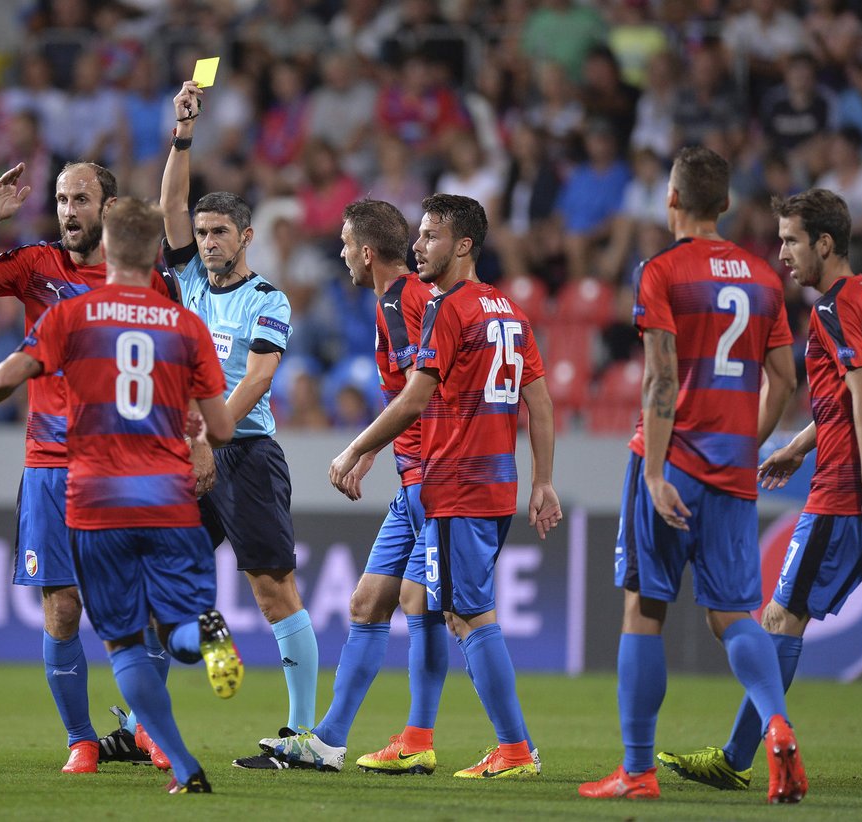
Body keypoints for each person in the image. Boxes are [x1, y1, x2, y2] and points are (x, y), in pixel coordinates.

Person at [0, 197, 243, 795]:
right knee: (168, 622)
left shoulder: (74, 315)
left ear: (108, 247)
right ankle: (201, 639)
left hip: (96, 495)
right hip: (167, 497)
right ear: (155, 252)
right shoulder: (185, 325)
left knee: (122, 639)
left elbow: (11, 373)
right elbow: (222, 428)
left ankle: (182, 764)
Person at [657, 188, 862, 799]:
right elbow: (856, 394)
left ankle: (737, 756)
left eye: (790, 240)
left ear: (824, 244)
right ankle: (735, 754)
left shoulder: (833, 310)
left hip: (848, 495)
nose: (782, 253)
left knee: (779, 618)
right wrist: (797, 447)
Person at [577, 146, 805, 803]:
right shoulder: (765, 278)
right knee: (735, 613)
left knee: (644, 610)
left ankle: (638, 771)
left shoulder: (662, 271)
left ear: (671, 200)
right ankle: (777, 724)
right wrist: (743, 446)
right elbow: (785, 380)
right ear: (726, 205)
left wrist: (653, 471)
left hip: (670, 459)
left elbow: (662, 376)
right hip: (732, 468)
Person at [322, 193, 563, 779]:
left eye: (430, 236)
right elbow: (540, 401)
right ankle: (414, 737)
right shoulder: (507, 309)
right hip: (478, 481)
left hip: (457, 480)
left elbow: (414, 397)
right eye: (418, 235)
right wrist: (543, 481)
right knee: (414, 600)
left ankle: (515, 749)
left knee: (467, 614)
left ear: (463, 246)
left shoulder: (446, 308)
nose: (418, 246)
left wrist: (357, 446)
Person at [260, 199, 449, 773]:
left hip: (437, 480)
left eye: (344, 244)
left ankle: (427, 738)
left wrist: (358, 447)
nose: (341, 254)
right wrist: (377, 454)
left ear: (366, 252)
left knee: (431, 609)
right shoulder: (404, 300)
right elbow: (413, 396)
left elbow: (425, 393)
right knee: (368, 602)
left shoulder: (398, 302)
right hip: (412, 477)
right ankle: (329, 741)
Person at [161, 80, 318, 769]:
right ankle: (153, 723)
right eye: (201, 233)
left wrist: (205, 428)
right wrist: (184, 135)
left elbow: (258, 379)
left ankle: (300, 734)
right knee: (162, 577)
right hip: (193, 451)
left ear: (246, 236)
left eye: (220, 231)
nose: (208, 240)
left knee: (273, 587)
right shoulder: (189, 282)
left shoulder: (269, 298)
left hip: (245, 453)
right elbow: (168, 203)